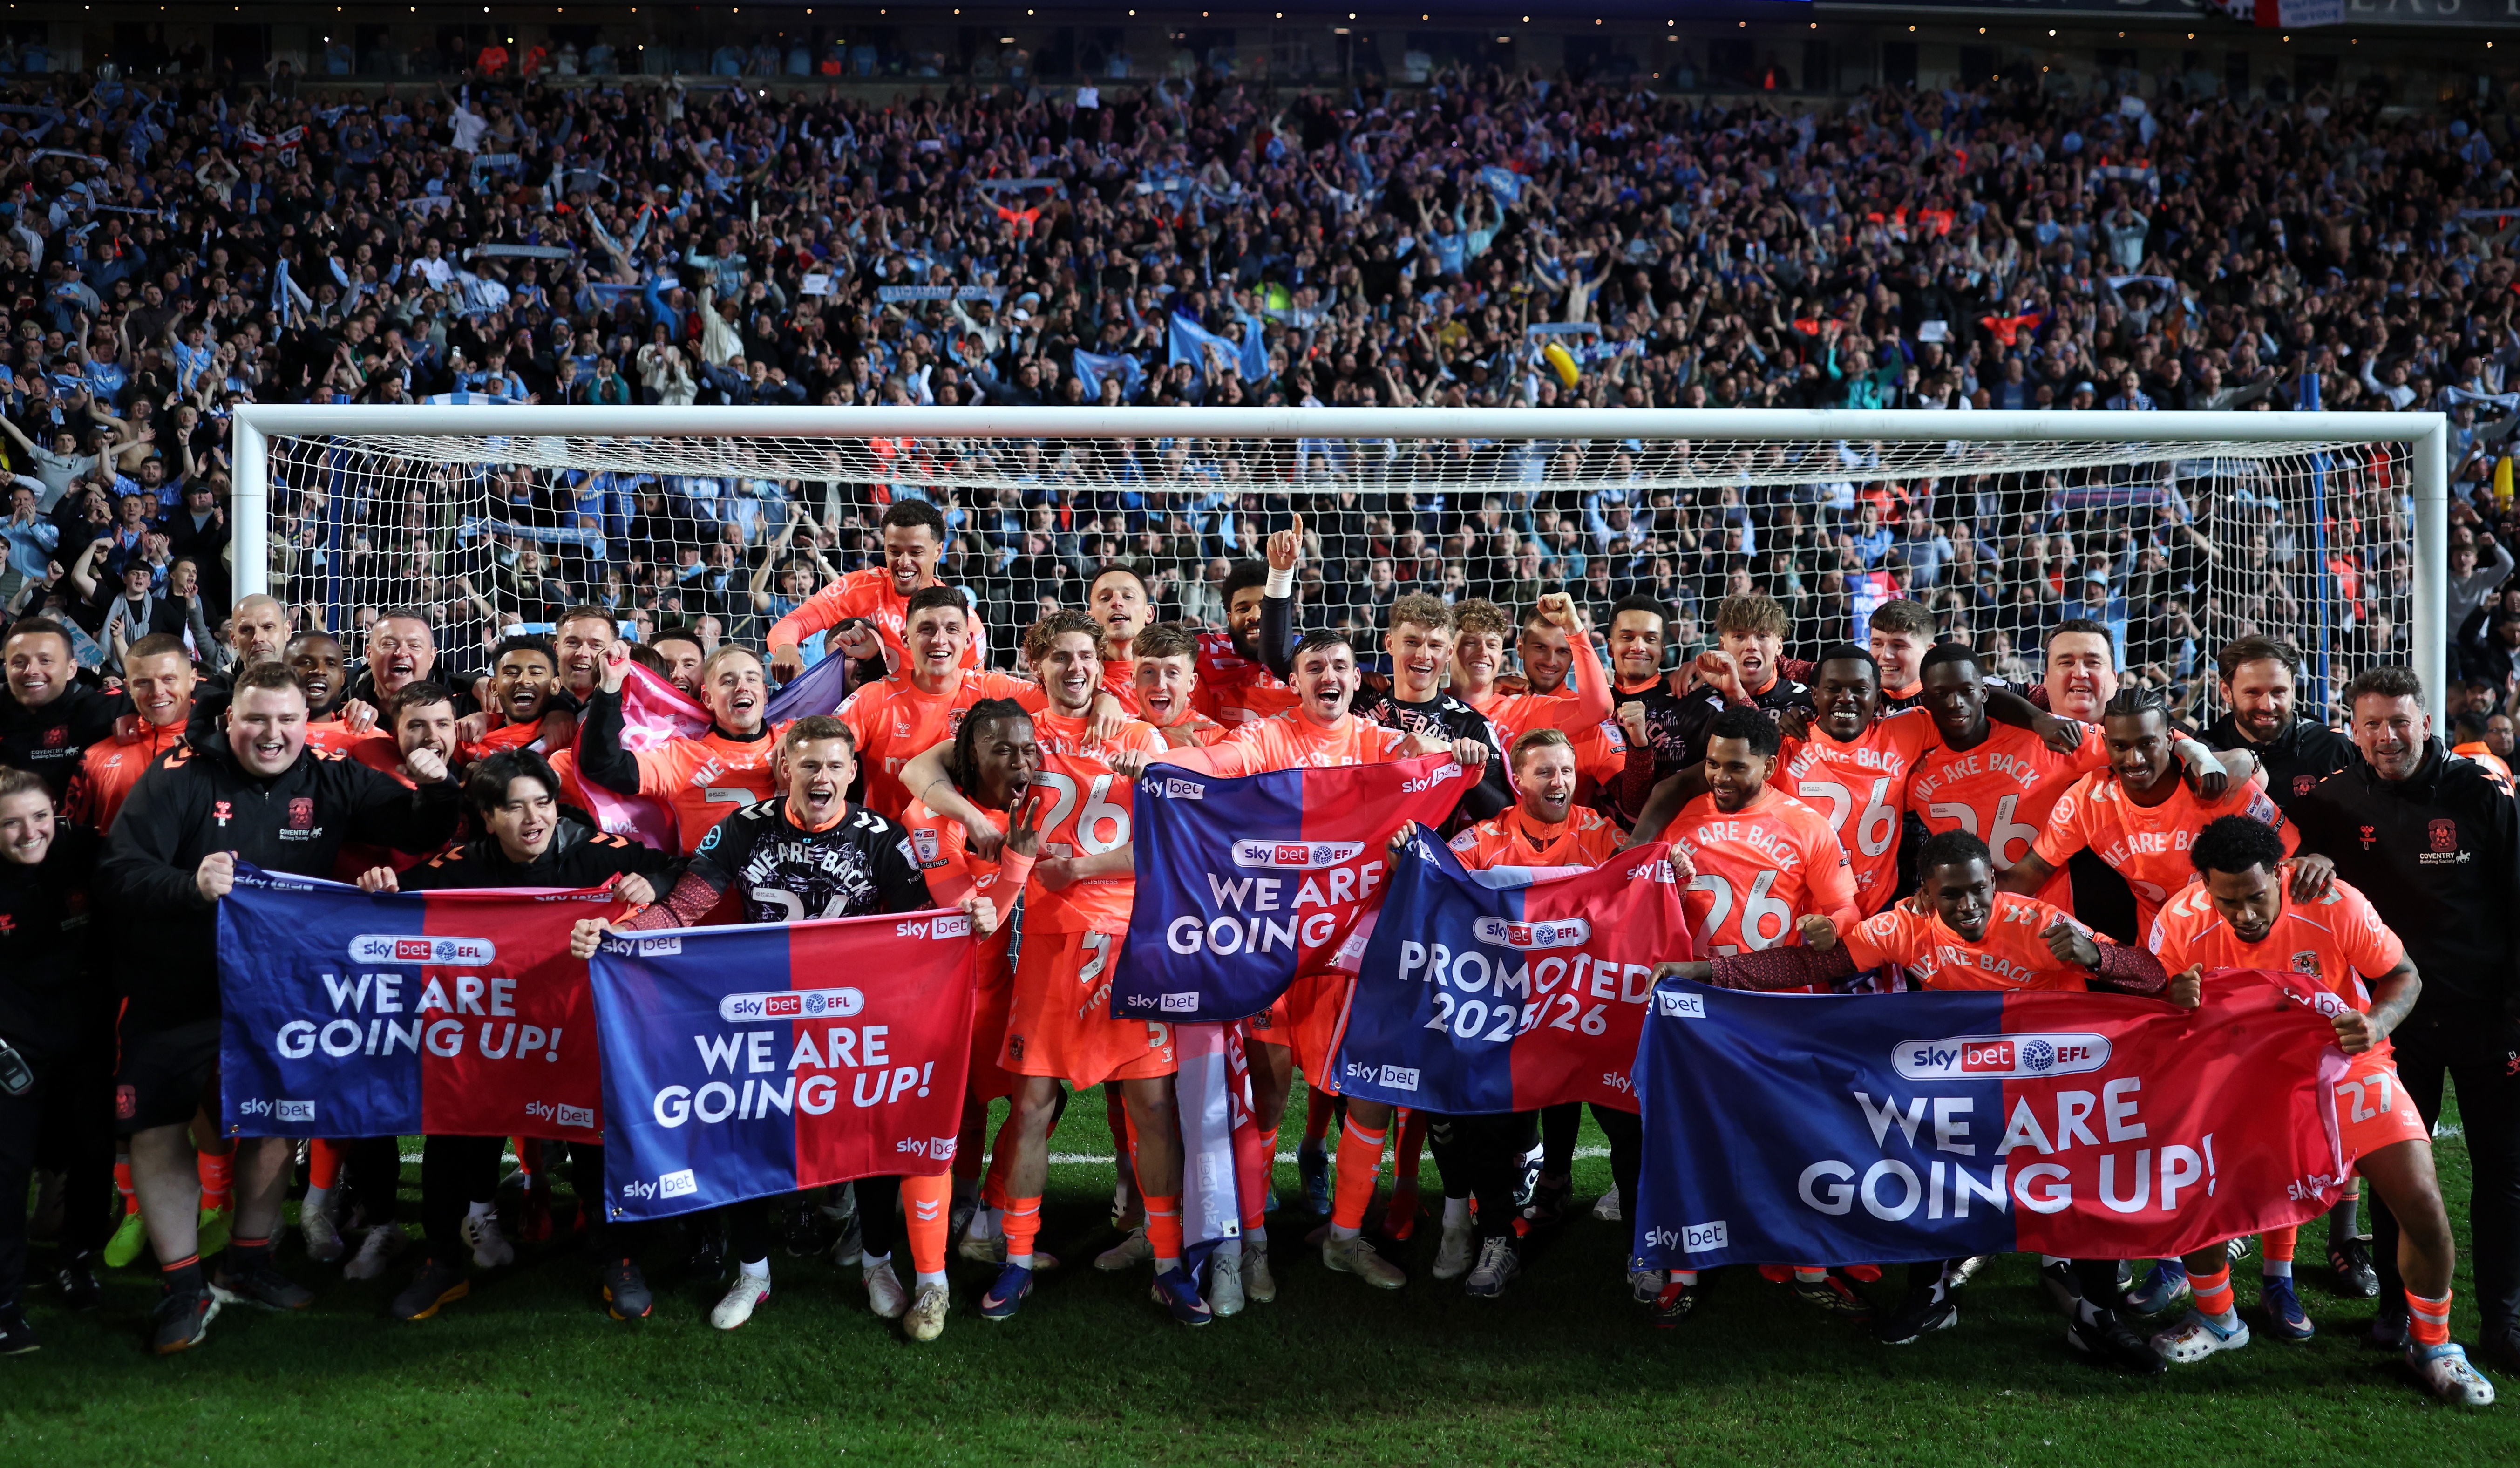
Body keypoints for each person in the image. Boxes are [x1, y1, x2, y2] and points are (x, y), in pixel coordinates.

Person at [1657, 828, 2171, 1361]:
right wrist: (1703, 971)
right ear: (1924, 894)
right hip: (1963, 1082)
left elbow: (2152, 974)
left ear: (1993, 880)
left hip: (2051, 1082)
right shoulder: (1903, 926)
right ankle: (1929, 1297)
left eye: (1978, 888)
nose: (1968, 904)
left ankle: (2096, 1319)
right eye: (1950, 894)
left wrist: (2097, 958)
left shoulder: (2039, 923)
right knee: (1932, 1177)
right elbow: (1812, 965)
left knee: (2079, 1189)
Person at [580, 715, 992, 1340]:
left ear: (853, 773)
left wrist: (970, 918)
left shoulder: (881, 835)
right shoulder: (743, 829)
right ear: (785, 771)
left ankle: (878, 1263)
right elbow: (684, 908)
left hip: (849, 1011)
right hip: (759, 1007)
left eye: (833, 766)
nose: (821, 776)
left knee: (873, 1129)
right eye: (808, 765)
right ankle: (753, 1271)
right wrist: (621, 936)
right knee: (748, 1132)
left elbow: (919, 931)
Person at [96, 660, 461, 1354]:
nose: (272, 734)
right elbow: (118, 871)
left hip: (282, 986)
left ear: (305, 722)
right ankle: (181, 1284)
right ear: (229, 719)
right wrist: (189, 885)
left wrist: (439, 785)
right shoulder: (181, 777)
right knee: (158, 1125)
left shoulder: (330, 776)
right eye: (257, 719)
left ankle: (250, 1260)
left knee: (274, 1124)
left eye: (287, 720)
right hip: (177, 985)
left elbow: (418, 831)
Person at [1129, 625, 1467, 1295]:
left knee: (1369, 1097)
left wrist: (1450, 752)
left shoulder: (1379, 743)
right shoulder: (1266, 737)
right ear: (1295, 681)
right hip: (1270, 946)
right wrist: (1161, 769)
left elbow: (1456, 773)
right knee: (1268, 1094)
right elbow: (1216, 767)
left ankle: (1344, 1238)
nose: (1328, 677)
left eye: (1340, 666)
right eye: (1314, 667)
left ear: (1355, 678)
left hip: (1358, 948)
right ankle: (1252, 1241)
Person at [896, 612, 1204, 1325]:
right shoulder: (1018, 730)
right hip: (1044, 943)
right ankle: (1013, 1258)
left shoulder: (1134, 735)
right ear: (1035, 666)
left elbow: (1175, 840)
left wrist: (1085, 862)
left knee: (1151, 1108)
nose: (1074, 669)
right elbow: (919, 774)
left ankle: (1166, 1262)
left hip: (1129, 940)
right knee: (1032, 1104)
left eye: (1086, 658)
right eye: (1059, 657)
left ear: (1104, 665)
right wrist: (973, 822)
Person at [2144, 816, 2496, 1406]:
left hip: (2344, 1064)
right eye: (2226, 900)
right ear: (2202, 886)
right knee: (2193, 1184)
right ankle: (2218, 1319)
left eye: (2256, 896)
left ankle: (2432, 1343)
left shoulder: (2331, 901)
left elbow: (2402, 975)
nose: (2246, 914)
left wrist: (2376, 1022)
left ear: (2280, 873)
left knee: (2421, 1203)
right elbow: (2154, 1001)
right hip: (2242, 1072)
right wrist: (2168, 995)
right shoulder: (2180, 919)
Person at [355, 749, 676, 1322]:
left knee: (596, 1142)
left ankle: (617, 1258)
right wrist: (381, 883)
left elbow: (673, 870)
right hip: (491, 1039)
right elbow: (395, 900)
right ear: (486, 816)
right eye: (515, 807)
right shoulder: (460, 863)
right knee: (452, 1136)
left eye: (544, 802)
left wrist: (647, 884)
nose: (534, 818)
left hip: (577, 1033)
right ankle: (442, 1262)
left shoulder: (592, 851)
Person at [2287, 666, 2520, 1373]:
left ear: (2426, 722)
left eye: (2399, 721)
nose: (2386, 737)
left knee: (2504, 1171)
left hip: (2489, 1014)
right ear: (2351, 732)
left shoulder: (2480, 792)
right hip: (2393, 1019)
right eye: (2371, 725)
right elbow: (2288, 872)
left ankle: (2505, 1319)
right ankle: (2394, 1308)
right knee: (2393, 1171)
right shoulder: (2330, 801)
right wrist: (2310, 859)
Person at [1413, 727, 1627, 1300]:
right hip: (1506, 1014)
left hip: (1583, 1008)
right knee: (1480, 1117)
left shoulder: (1603, 834)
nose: (1559, 782)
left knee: (1630, 1115)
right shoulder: (1484, 838)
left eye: (1566, 771)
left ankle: (1644, 1244)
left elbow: (1638, 883)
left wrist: (1668, 867)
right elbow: (1435, 879)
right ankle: (1497, 1234)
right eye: (1545, 772)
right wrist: (1406, 856)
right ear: (1517, 779)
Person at [897, 700, 1050, 1273]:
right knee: (956, 1109)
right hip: (942, 995)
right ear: (969, 755)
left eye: (1027, 748)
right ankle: (953, 1215)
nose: (1021, 761)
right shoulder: (930, 818)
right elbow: (973, 921)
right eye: (1003, 750)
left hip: (999, 987)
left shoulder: (1024, 793)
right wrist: (1017, 861)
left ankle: (984, 1212)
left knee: (1037, 1100)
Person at [2003, 685, 2283, 937]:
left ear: (2171, 740)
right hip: (2167, 951)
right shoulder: (2086, 801)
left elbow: (2289, 855)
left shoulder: (2218, 784)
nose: (2134, 759)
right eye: (2120, 746)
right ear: (2105, 745)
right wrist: (1970, 893)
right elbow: (2032, 871)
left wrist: (2315, 860)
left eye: (2147, 744)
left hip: (2241, 936)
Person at [0, 767, 109, 1354]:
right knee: (6, 1172)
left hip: (83, 1035)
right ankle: (3, 1304)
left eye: (39, 816)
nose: (29, 832)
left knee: (92, 1154)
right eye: (11, 823)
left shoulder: (85, 851)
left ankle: (78, 1262)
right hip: (10, 1048)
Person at [836, 585, 1044, 819]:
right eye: (927, 629)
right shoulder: (875, 697)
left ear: (967, 640)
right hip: (889, 847)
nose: (939, 640)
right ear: (906, 639)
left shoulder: (992, 690)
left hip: (970, 846)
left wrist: (1096, 699)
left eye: (951, 629)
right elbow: (823, 743)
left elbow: (1061, 699)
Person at [575, 640, 782, 853]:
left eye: (752, 679)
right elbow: (603, 765)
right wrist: (610, 687)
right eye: (728, 682)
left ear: (765, 694)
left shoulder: (797, 740)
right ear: (708, 699)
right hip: (709, 885)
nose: (742, 687)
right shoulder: (683, 758)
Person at [766, 500, 980, 683]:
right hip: (867, 718)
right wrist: (786, 647)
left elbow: (970, 691)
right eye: (894, 551)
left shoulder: (962, 620)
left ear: (938, 552)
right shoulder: (860, 587)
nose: (904, 563)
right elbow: (793, 623)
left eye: (916, 552)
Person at [2200, 636, 2359, 816]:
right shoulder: (2206, 752)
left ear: (2292, 688)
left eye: (2278, 692)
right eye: (2253, 692)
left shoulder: (2332, 747)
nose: (2268, 706)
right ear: (2226, 692)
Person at [65, 634, 194, 833]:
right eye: (143, 682)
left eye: (169, 679)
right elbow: (67, 837)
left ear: (193, 680)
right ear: (128, 688)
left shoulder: (221, 743)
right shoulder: (96, 756)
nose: (157, 691)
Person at [1, 618, 117, 801]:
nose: (31, 671)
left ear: (71, 669)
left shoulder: (106, 707)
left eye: (45, 661)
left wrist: (141, 719)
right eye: (19, 662)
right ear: (6, 669)